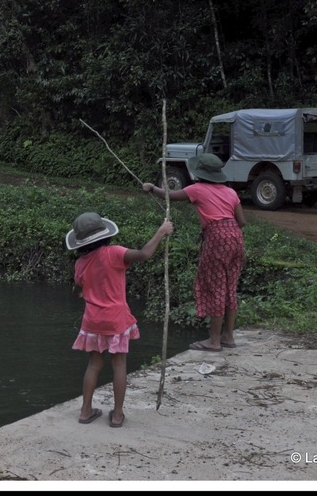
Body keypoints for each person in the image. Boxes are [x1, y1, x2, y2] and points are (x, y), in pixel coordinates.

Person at [66, 212, 174, 428]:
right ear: (105, 235)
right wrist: (161, 232)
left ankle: (85, 411)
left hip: (93, 321)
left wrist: (82, 290)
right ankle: (116, 415)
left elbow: (77, 289)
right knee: (119, 364)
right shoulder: (114, 253)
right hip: (115, 319)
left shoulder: (80, 263)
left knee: (94, 364)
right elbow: (144, 254)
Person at [142, 153, 246, 352]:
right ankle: (228, 336)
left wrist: (151, 188)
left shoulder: (197, 189)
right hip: (235, 237)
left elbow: (169, 195)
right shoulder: (230, 192)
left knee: (216, 287)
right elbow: (241, 222)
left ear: (199, 174)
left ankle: (214, 341)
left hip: (217, 238)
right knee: (230, 287)